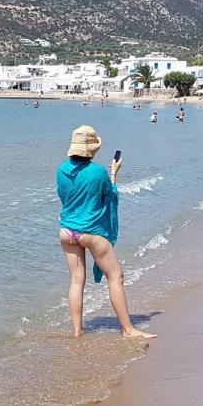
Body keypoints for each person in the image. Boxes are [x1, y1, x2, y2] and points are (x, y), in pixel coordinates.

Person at [56, 125, 156, 340]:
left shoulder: (61, 170)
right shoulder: (98, 172)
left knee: (76, 281)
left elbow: (65, 197)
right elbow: (110, 195)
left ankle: (77, 332)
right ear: (92, 149)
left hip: (66, 231)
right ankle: (128, 330)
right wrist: (113, 173)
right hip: (90, 232)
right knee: (116, 277)